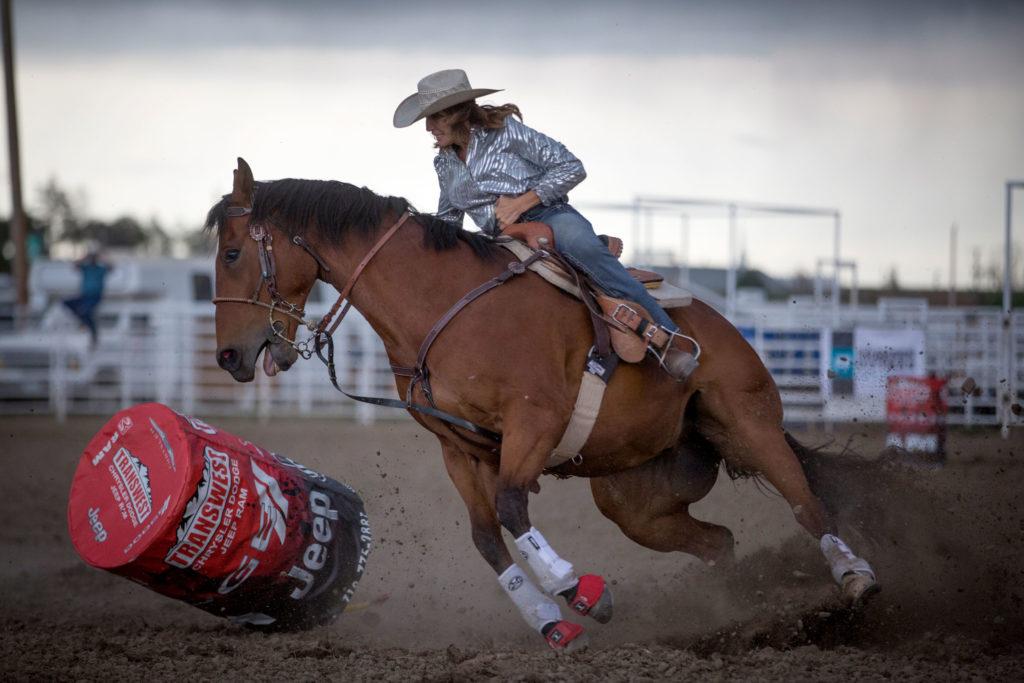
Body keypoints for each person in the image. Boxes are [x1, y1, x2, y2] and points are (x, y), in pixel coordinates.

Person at [393, 69, 697, 380]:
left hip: (547, 217)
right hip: (496, 239)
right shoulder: (444, 162)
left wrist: (521, 203)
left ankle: (669, 340)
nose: (428, 127)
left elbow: (570, 167)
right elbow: (448, 220)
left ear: (456, 113)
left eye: (434, 117)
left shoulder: (507, 132)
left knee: (583, 248)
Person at [63, 248, 111, 348]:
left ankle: (93, 333)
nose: (93, 259)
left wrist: (101, 257)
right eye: (92, 257)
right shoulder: (86, 268)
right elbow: (74, 265)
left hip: (95, 297)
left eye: (94, 257)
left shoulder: (100, 269)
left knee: (84, 311)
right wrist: (85, 256)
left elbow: (111, 267)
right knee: (66, 303)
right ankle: (83, 322)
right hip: (84, 296)